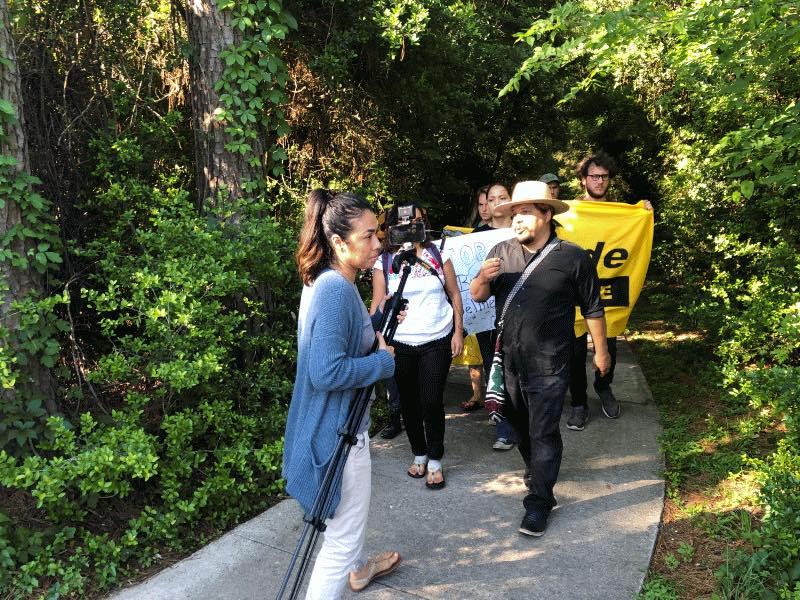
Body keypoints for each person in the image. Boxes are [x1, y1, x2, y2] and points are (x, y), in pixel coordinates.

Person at [470, 180, 611, 537]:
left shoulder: (572, 257)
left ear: (547, 213)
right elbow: (477, 295)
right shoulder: (501, 251)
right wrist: (483, 279)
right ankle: (538, 473)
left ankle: (539, 502)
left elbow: (593, 309)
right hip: (509, 361)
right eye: (513, 213)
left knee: (543, 429)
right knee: (517, 427)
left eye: (525, 212)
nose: (516, 220)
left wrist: (602, 352)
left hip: (552, 361)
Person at [283, 189, 402, 598]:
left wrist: (378, 325)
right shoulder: (335, 288)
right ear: (338, 241)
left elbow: (343, 342)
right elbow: (326, 371)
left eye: (378, 234)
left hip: (334, 431)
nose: (377, 243)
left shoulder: (331, 282)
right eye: (368, 236)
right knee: (342, 544)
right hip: (340, 437)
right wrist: (384, 363)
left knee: (339, 536)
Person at [371, 203, 464, 490]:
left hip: (437, 338)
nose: (411, 226)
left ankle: (435, 458)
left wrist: (458, 331)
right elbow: (377, 304)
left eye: (416, 220)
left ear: (424, 223)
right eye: (404, 222)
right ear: (392, 227)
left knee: (431, 400)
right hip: (400, 343)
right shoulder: (384, 261)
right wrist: (380, 342)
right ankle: (419, 453)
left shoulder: (439, 253)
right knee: (409, 403)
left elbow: (454, 293)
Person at [566, 152, 653, 431]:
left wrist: (643, 212)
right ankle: (578, 402)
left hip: (608, 294)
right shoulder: (568, 213)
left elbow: (635, 233)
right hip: (574, 295)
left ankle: (604, 388)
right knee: (574, 354)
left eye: (604, 176)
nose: (600, 181)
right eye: (594, 176)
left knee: (609, 348)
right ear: (583, 180)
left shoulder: (620, 214)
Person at [473, 183, 519, 451]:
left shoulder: (525, 231)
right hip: (485, 318)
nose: (498, 202)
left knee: (519, 371)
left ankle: (524, 420)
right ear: (486, 206)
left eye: (504, 197)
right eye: (492, 199)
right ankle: (504, 427)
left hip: (519, 316)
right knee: (495, 368)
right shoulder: (475, 237)